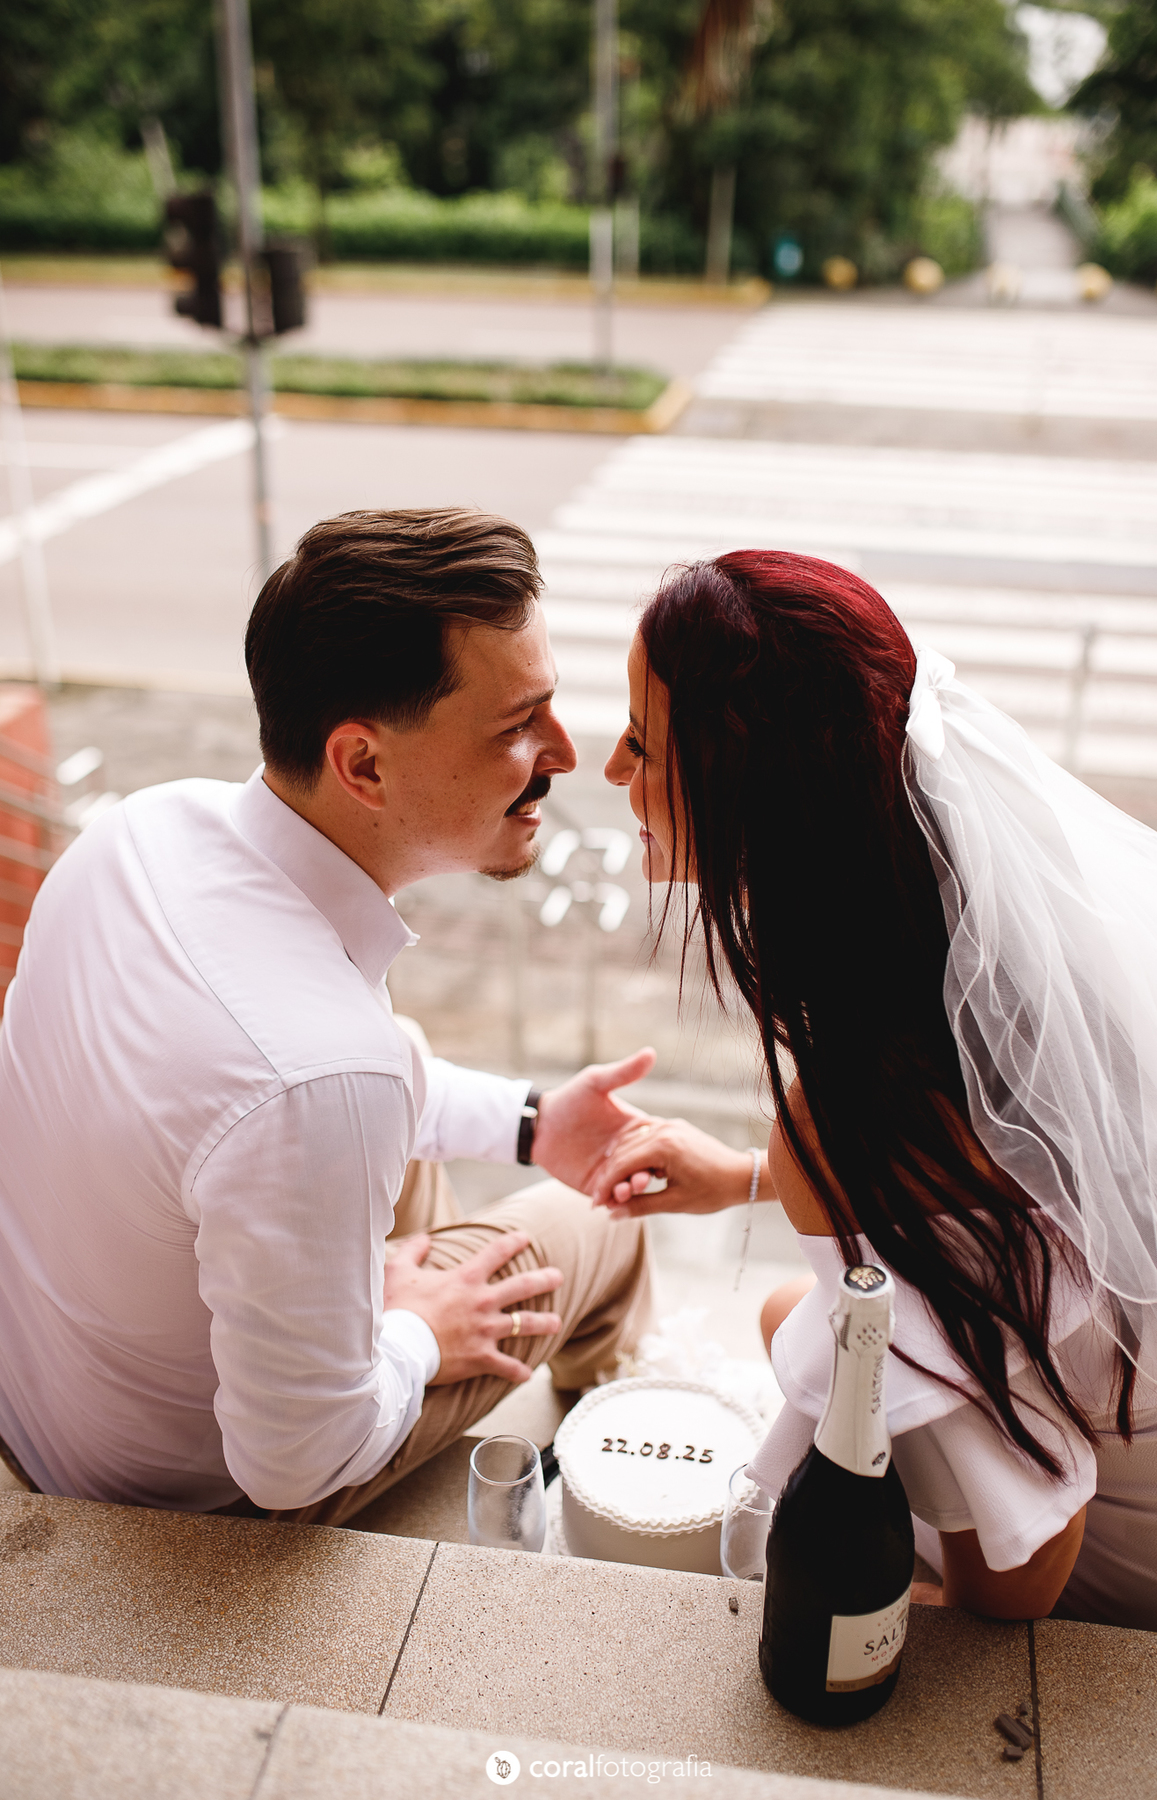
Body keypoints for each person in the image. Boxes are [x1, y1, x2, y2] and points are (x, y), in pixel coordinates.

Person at [0, 508, 763, 1525]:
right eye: (518, 725)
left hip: (45, 1393)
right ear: (363, 764)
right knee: (601, 1227)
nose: (567, 754)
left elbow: (304, 1094)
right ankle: (610, 1499)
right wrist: (413, 1330)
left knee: (398, 1065)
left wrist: (534, 1122)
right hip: (185, 1503)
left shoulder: (134, 833)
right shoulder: (319, 1076)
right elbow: (292, 1463)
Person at [594, 549, 1157, 1636]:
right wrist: (743, 1178)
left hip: (1149, 1567)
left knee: (810, 1362)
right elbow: (1015, 1208)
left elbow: (1021, 1575)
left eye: (640, 742)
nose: (608, 769)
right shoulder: (999, 957)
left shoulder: (853, 1116)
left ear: (743, 786)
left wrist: (894, 1607)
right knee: (790, 1319)